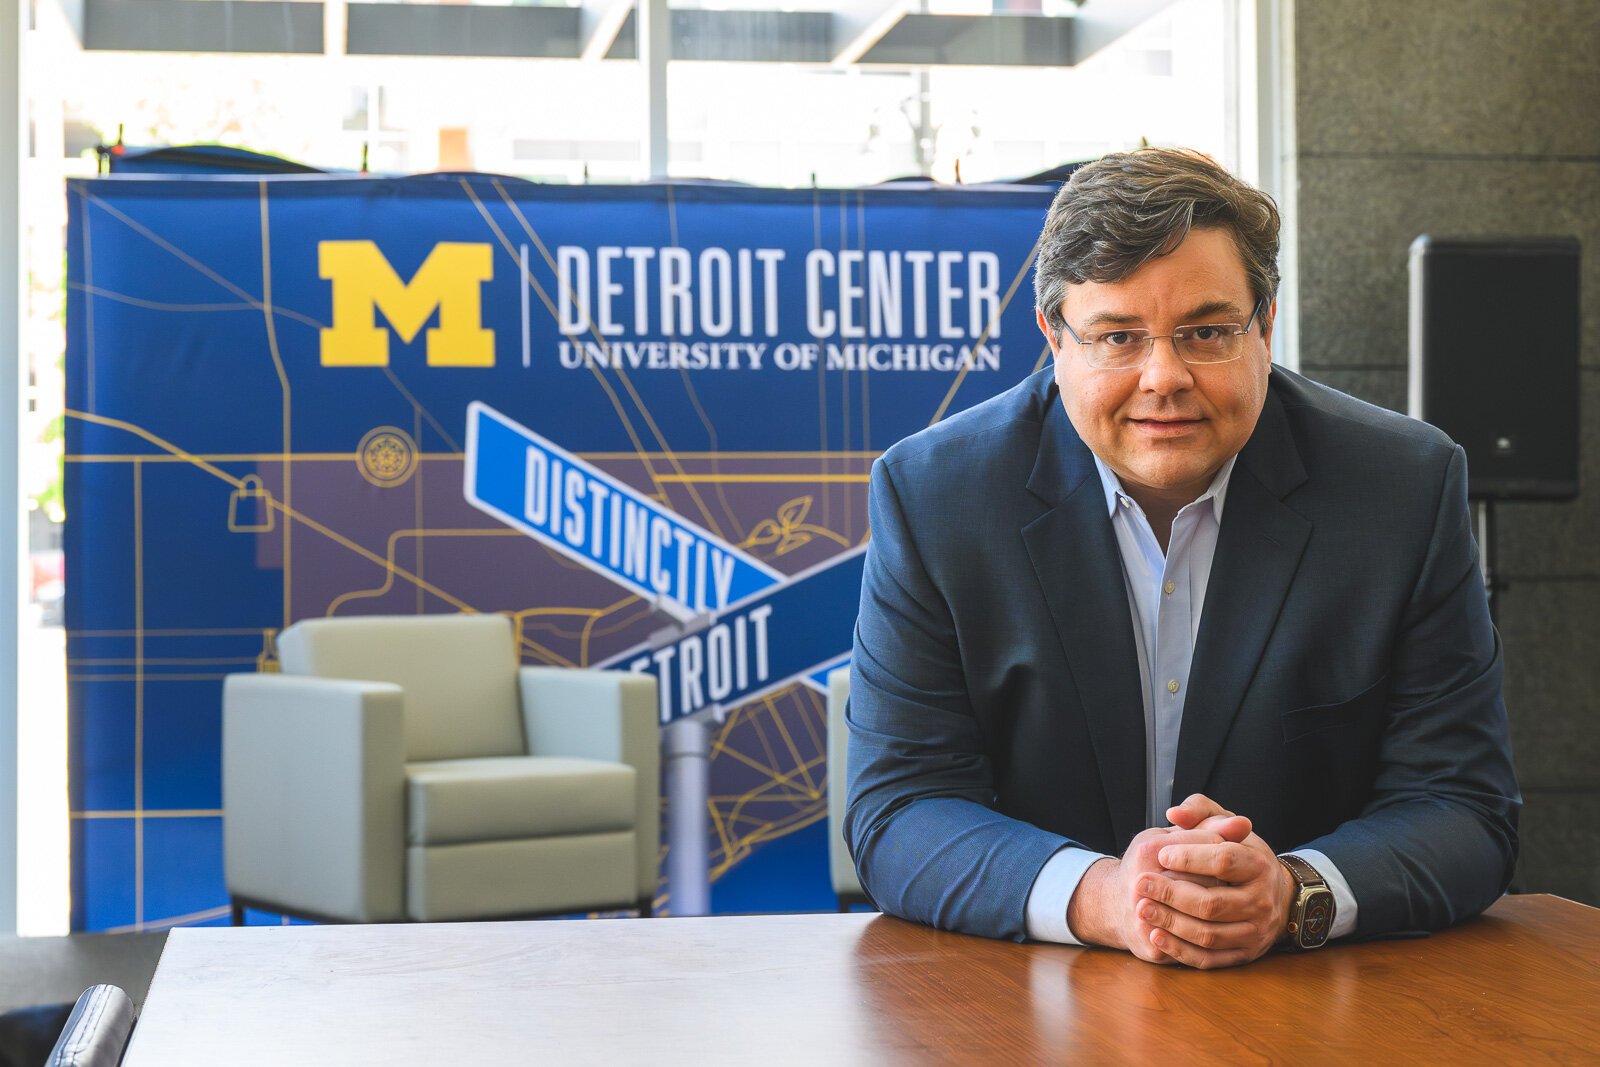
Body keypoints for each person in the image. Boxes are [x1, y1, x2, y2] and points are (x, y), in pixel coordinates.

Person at [844, 147, 1520, 969]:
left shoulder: (1402, 488)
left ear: (1264, 327)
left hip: (1314, 995)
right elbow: (901, 809)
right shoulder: (935, 496)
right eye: (1117, 336)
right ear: (1054, 339)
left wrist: (1293, 890)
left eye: (1206, 331)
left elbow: (1464, 805)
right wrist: (1104, 896)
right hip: (1029, 997)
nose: (1163, 376)